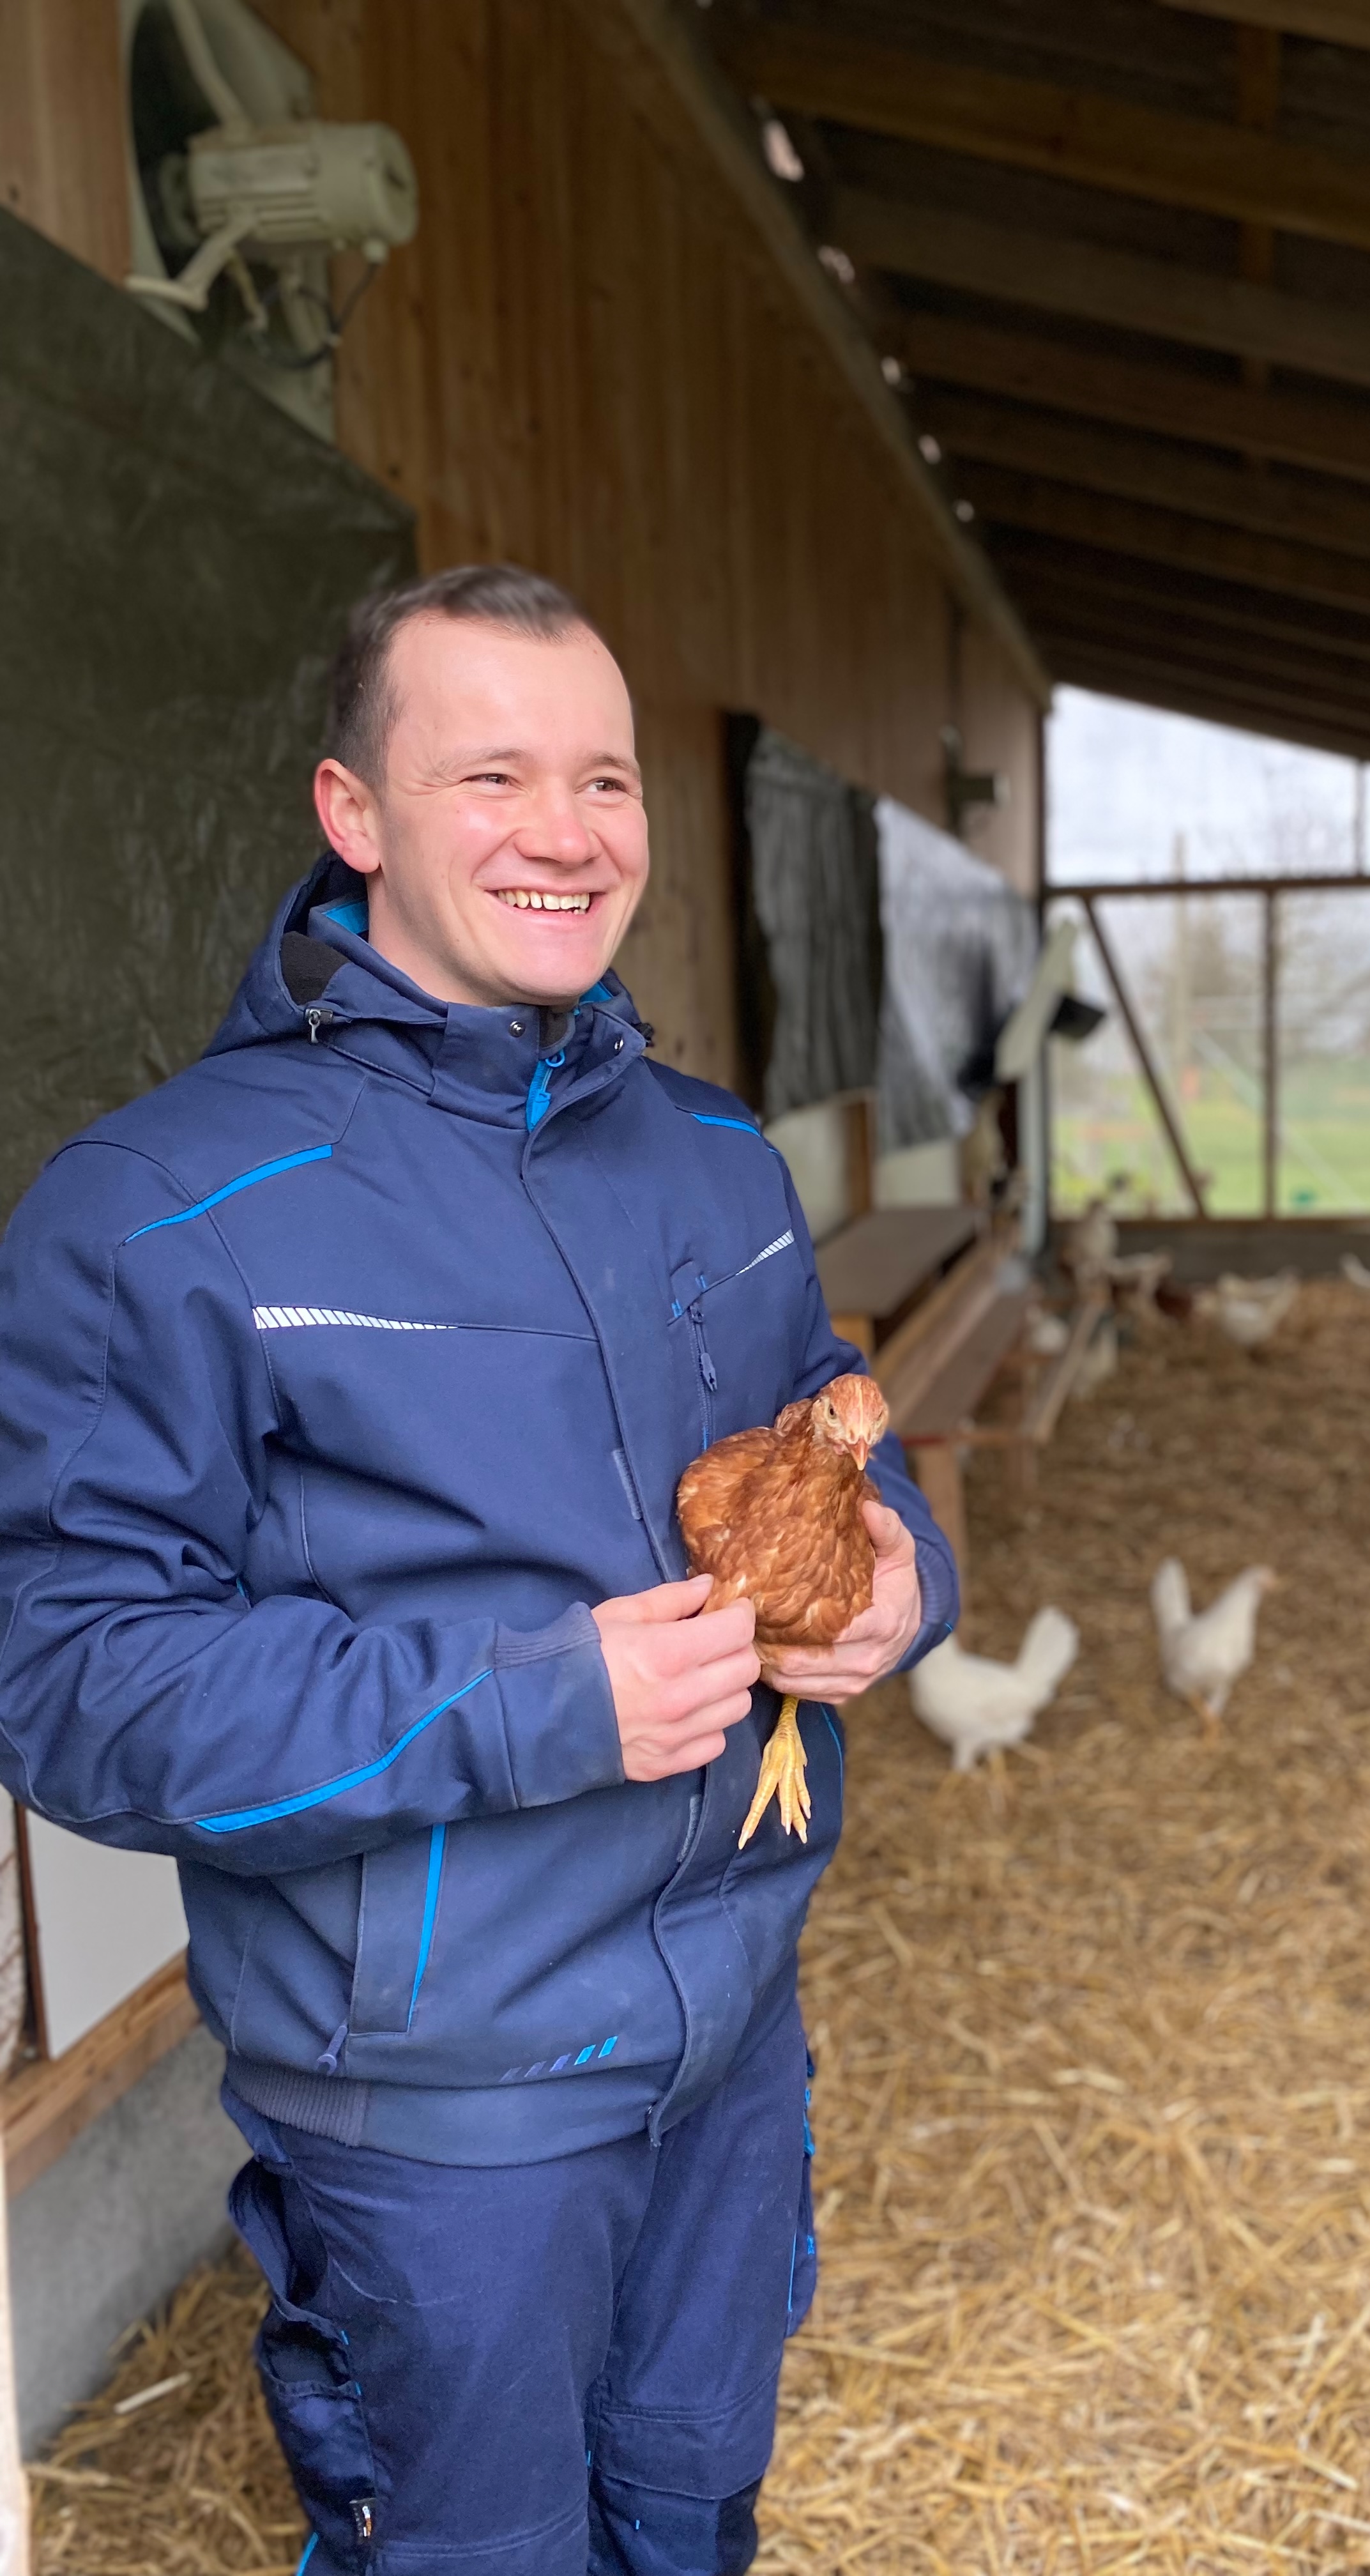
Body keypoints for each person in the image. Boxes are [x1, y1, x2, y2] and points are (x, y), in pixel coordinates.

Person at [0, 565, 957, 2573]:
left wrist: (900, 1580)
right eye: (492, 773)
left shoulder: (712, 1158)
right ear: (354, 814)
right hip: (451, 2103)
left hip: (731, 2028)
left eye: (602, 779)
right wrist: (542, 1702)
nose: (567, 831)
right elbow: (72, 1682)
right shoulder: (164, 1210)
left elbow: (830, 1423)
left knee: (689, 2513)